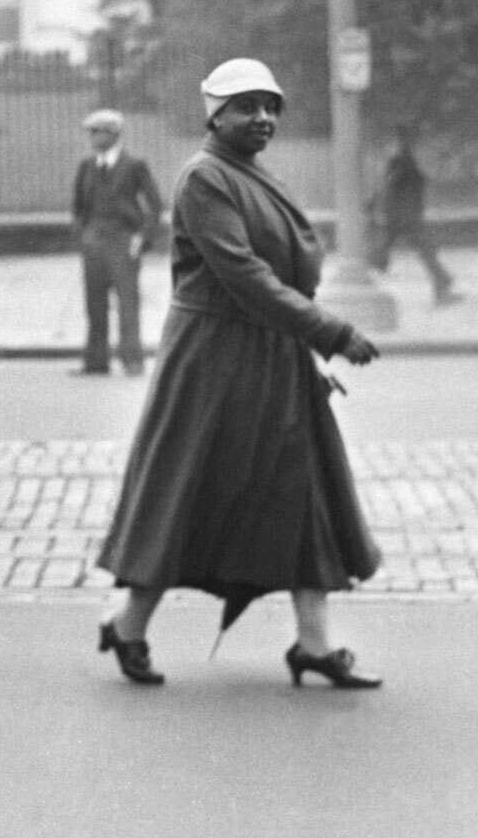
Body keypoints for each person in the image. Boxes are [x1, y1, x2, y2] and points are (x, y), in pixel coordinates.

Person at [96, 57, 384, 692]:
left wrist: (305, 352)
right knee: (189, 490)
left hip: (273, 354)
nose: (262, 118)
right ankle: (128, 623)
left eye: (271, 106)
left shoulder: (248, 171)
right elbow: (247, 277)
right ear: (214, 114)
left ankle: (314, 645)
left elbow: (274, 277)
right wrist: (332, 333)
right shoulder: (205, 178)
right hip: (214, 363)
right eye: (246, 106)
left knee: (304, 488)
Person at [70, 107, 165, 376]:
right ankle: (96, 362)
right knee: (95, 305)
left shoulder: (134, 166)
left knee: (127, 304)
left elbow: (155, 206)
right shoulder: (87, 166)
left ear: (113, 134)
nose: (92, 138)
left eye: (97, 132)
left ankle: (132, 360)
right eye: (91, 132)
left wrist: (142, 239)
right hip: (94, 245)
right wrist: (82, 236)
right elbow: (78, 206)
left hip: (124, 243)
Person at [369, 123, 458, 307]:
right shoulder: (401, 158)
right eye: (412, 136)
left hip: (402, 214)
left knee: (412, 251)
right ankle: (442, 285)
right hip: (404, 215)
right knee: (425, 251)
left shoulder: (404, 157)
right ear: (407, 138)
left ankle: (442, 284)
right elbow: (391, 183)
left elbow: (396, 183)